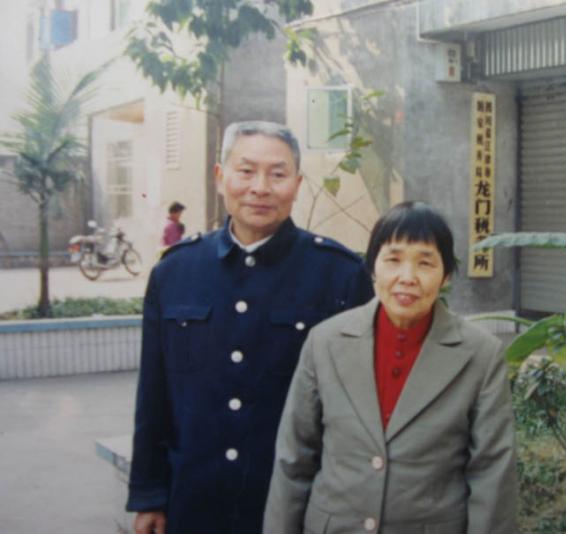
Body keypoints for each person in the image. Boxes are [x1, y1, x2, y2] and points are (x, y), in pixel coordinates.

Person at [126, 121, 374, 534]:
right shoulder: (175, 272)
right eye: (246, 171)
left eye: (277, 174)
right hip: (195, 499)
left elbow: (355, 409)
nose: (260, 187)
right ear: (221, 177)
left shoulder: (339, 275)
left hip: (294, 504)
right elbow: (154, 394)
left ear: (297, 184)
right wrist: (149, 493)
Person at [264, 201, 519, 533]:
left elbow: (492, 474)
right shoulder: (325, 342)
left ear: (445, 276)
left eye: (425, 263)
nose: (407, 277)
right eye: (393, 260)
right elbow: (294, 459)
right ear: (373, 268)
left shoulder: (480, 355)